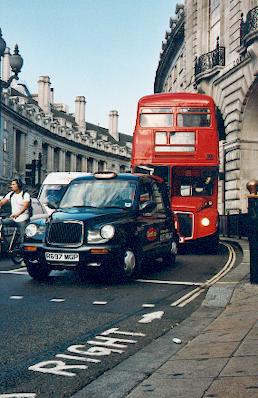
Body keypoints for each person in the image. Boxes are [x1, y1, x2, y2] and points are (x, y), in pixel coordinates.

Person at [0, 179, 31, 246]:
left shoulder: (25, 195)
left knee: (23, 236)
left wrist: (18, 214)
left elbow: (25, 206)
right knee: (1, 222)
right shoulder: (11, 194)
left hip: (23, 219)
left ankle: (21, 250)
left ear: (18, 185)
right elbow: (2, 202)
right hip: (13, 219)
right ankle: (3, 240)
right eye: (11, 184)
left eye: (13, 184)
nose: (11, 186)